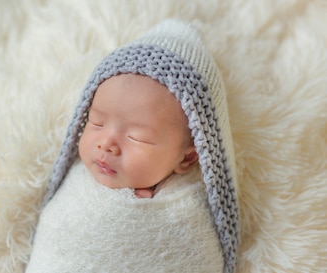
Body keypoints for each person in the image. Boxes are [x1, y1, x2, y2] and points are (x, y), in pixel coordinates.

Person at [26, 19, 240, 273]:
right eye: (96, 122)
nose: (106, 144)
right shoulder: (76, 184)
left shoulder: (187, 212)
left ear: (188, 158)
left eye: (137, 137)